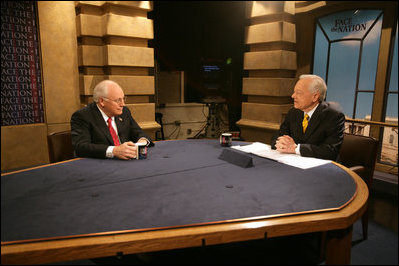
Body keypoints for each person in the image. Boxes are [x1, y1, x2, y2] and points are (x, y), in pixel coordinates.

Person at [71, 80, 153, 160]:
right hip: (98, 165)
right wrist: (114, 151)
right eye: (118, 100)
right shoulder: (83, 116)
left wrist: (140, 143)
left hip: (126, 162)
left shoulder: (124, 112)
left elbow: (139, 133)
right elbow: (81, 147)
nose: (122, 104)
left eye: (123, 99)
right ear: (102, 101)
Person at [271, 74, 345, 161]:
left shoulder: (333, 115)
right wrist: (281, 142)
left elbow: (330, 151)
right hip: (294, 162)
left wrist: (295, 148)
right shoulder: (294, 112)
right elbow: (277, 136)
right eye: (294, 92)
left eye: (298, 93)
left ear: (315, 97)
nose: (293, 96)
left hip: (322, 168)